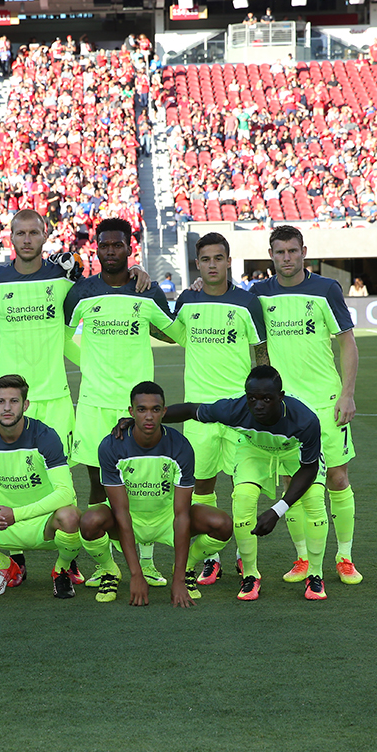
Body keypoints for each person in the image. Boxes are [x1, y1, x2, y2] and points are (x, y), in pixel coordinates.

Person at [0, 209, 152, 585]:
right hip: (9, 401)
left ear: (45, 234)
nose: (26, 239)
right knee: (11, 480)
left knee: (61, 485)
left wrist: (136, 274)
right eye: (19, 232)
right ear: (10, 236)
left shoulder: (64, 281)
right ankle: (16, 559)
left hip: (54, 398)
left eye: (33, 232)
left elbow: (104, 284)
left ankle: (67, 561)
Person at [142, 365, 331, 600]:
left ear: (280, 397)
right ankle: (250, 576)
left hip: (293, 450)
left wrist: (277, 510)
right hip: (254, 448)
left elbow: (309, 468)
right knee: (242, 499)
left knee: (313, 499)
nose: (259, 405)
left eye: (266, 399)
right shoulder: (234, 409)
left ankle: (315, 574)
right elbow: (192, 410)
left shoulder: (305, 420)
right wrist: (143, 420)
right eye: (252, 398)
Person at [63, 217, 181, 588]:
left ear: (130, 248)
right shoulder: (81, 292)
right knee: (99, 487)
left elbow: (176, 332)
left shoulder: (147, 291)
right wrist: (95, 367)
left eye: (117, 245)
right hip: (96, 405)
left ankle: (145, 563)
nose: (110, 251)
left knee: (143, 486)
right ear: (96, 248)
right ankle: (106, 564)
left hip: (138, 408)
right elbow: (63, 340)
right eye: (104, 245)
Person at [250, 225, 363, 586]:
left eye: (293, 251)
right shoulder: (260, 294)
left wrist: (347, 394)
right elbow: (258, 346)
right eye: (280, 252)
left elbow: (348, 344)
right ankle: (302, 557)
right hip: (286, 409)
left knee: (337, 477)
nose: (287, 257)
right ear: (271, 255)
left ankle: (344, 556)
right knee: (290, 483)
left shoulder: (325, 289)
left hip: (326, 401)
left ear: (304, 252)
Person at [79, 381, 232, 607]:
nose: (148, 416)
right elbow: (121, 513)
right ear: (131, 412)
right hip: (129, 519)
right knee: (90, 521)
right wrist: (136, 574)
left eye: (155, 409)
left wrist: (178, 580)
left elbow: (181, 515)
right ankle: (110, 570)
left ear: (164, 412)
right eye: (141, 410)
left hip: (167, 518)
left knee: (223, 524)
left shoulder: (180, 447)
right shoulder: (112, 446)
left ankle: (186, 569)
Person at [167, 232, 260, 586]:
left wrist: (260, 404)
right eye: (205, 260)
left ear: (229, 261)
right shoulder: (187, 302)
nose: (212, 265)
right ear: (197, 264)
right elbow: (170, 333)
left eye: (218, 258)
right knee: (202, 484)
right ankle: (211, 556)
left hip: (239, 412)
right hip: (199, 413)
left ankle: (244, 556)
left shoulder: (247, 302)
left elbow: (261, 354)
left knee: (243, 488)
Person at [0, 375, 82, 598]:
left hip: (46, 524)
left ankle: (61, 569)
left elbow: (66, 492)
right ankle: (3, 564)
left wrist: (17, 514)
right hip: (4, 524)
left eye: (14, 401)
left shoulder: (45, 436)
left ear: (25, 405)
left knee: (71, 516)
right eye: (0, 402)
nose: (7, 408)